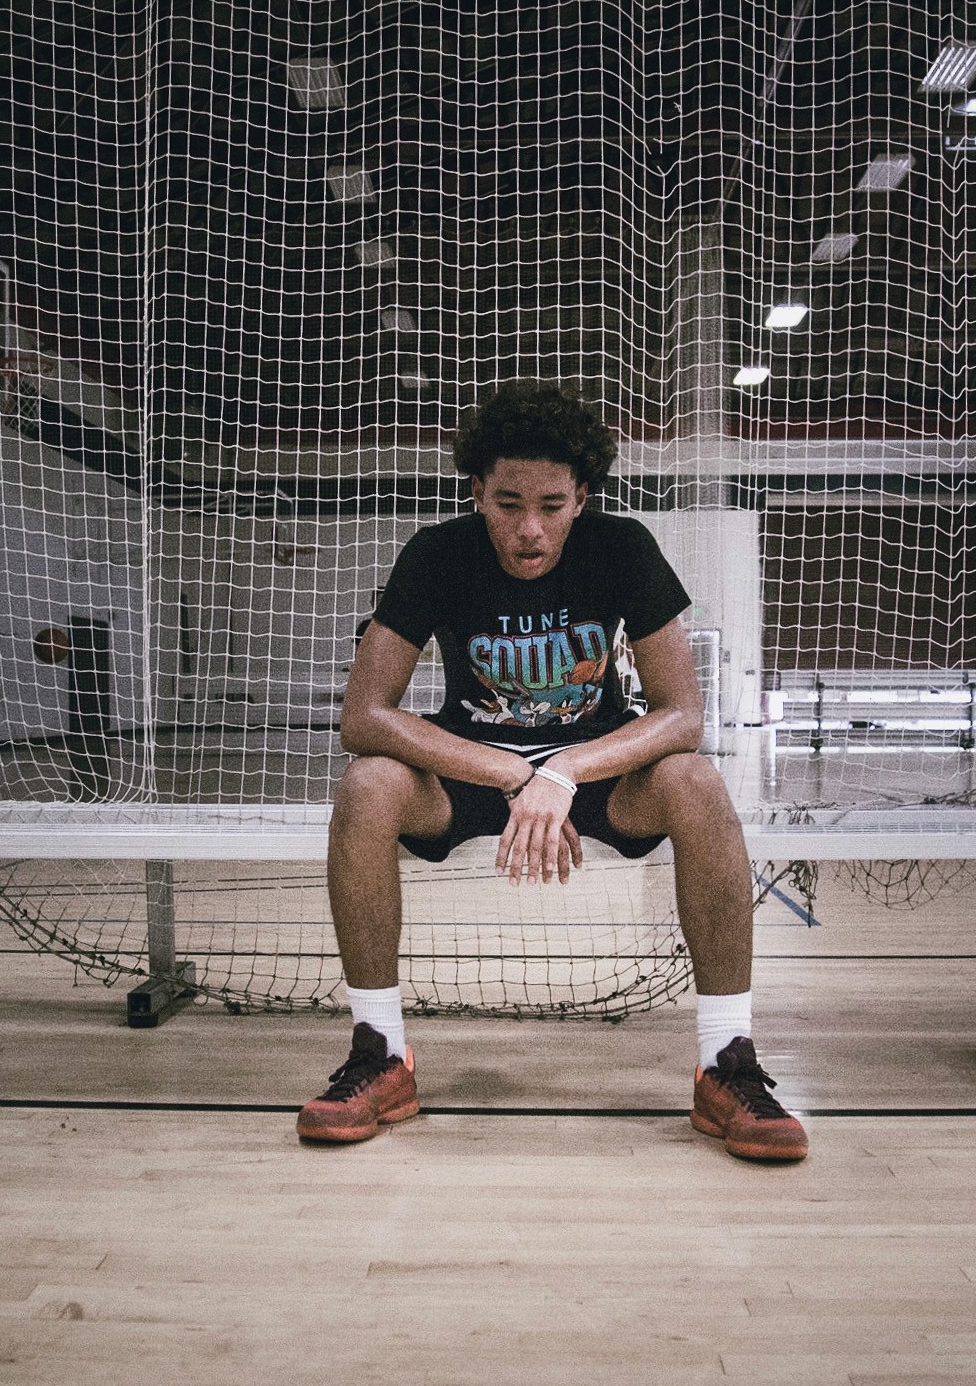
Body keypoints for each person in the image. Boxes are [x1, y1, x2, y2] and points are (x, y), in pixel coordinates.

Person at [296, 381, 808, 1162]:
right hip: (473, 769)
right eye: (507, 504)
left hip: (596, 770)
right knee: (368, 781)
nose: (529, 529)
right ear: (476, 492)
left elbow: (681, 715)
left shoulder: (622, 547)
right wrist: (507, 771)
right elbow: (364, 716)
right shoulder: (437, 554)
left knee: (696, 780)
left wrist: (563, 770)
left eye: (552, 505)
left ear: (583, 499)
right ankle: (380, 1054)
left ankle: (725, 1062)